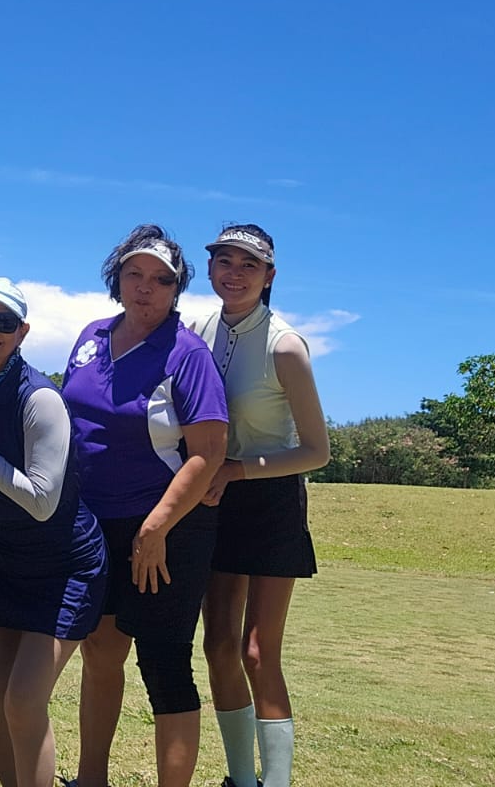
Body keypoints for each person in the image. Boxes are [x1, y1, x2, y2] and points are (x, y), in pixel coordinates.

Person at [60, 224, 229, 787]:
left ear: (177, 289)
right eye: (134, 274)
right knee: (100, 651)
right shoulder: (90, 336)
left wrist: (155, 528)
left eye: (161, 279)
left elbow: (208, 452)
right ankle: (91, 779)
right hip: (94, 524)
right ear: (117, 278)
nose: (146, 287)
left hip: (166, 528)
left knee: (163, 662)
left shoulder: (188, 354)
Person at [0, 276, 107, 787]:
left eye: (4, 322)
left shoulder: (40, 399)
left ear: (22, 331)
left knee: (22, 701)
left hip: (64, 567)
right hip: (1, 560)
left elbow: (41, 501)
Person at [190, 225, 329, 787]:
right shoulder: (195, 330)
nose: (234, 272)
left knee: (255, 651)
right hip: (212, 496)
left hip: (268, 497)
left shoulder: (285, 344)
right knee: (218, 644)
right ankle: (240, 780)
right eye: (224, 260)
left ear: (269, 276)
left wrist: (237, 470)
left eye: (249, 264)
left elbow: (317, 451)